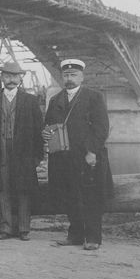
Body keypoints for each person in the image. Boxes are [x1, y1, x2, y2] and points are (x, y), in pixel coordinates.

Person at [44, 59, 112, 250]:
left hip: (87, 157)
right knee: (70, 196)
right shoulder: (55, 100)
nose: (69, 78)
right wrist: (46, 134)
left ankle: (93, 238)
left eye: (73, 75)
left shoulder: (93, 97)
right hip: (63, 157)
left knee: (91, 197)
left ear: (82, 77)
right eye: (66, 75)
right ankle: (75, 236)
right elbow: (49, 126)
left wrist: (92, 151)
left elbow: (101, 128)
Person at [0, 61, 44, 240]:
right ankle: (5, 228)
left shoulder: (30, 101)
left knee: (23, 190)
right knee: (3, 188)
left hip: (23, 153)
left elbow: (38, 129)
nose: (11, 80)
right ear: (2, 77)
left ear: (20, 78)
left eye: (15, 76)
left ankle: (24, 228)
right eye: (7, 76)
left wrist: (37, 156)